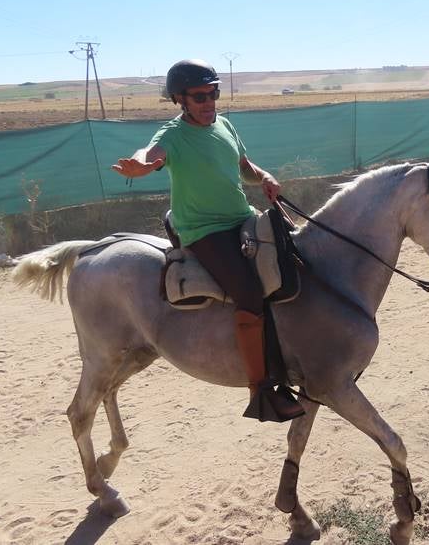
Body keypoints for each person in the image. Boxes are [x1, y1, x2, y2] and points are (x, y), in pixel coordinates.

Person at [112, 59, 304, 423]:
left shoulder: (225, 125)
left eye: (213, 93)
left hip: (241, 216)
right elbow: (151, 155)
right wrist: (140, 165)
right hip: (204, 230)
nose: (209, 102)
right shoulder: (172, 136)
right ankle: (260, 390)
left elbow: (244, 167)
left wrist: (265, 176)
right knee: (248, 293)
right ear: (180, 100)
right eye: (200, 96)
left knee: (294, 255)